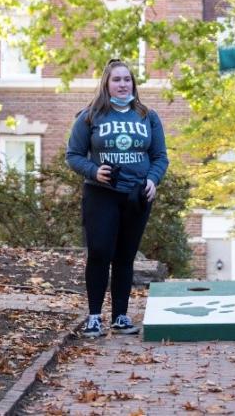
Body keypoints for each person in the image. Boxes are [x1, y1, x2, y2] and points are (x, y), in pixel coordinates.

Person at [66, 59, 169, 338]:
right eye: (117, 80)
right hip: (101, 194)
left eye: (127, 79)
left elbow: (160, 156)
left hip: (136, 195)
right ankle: (94, 317)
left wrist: (152, 180)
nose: (123, 84)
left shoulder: (147, 116)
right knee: (99, 252)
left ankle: (121, 317)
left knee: (125, 257)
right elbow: (73, 155)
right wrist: (93, 170)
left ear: (133, 83)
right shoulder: (89, 116)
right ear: (106, 84)